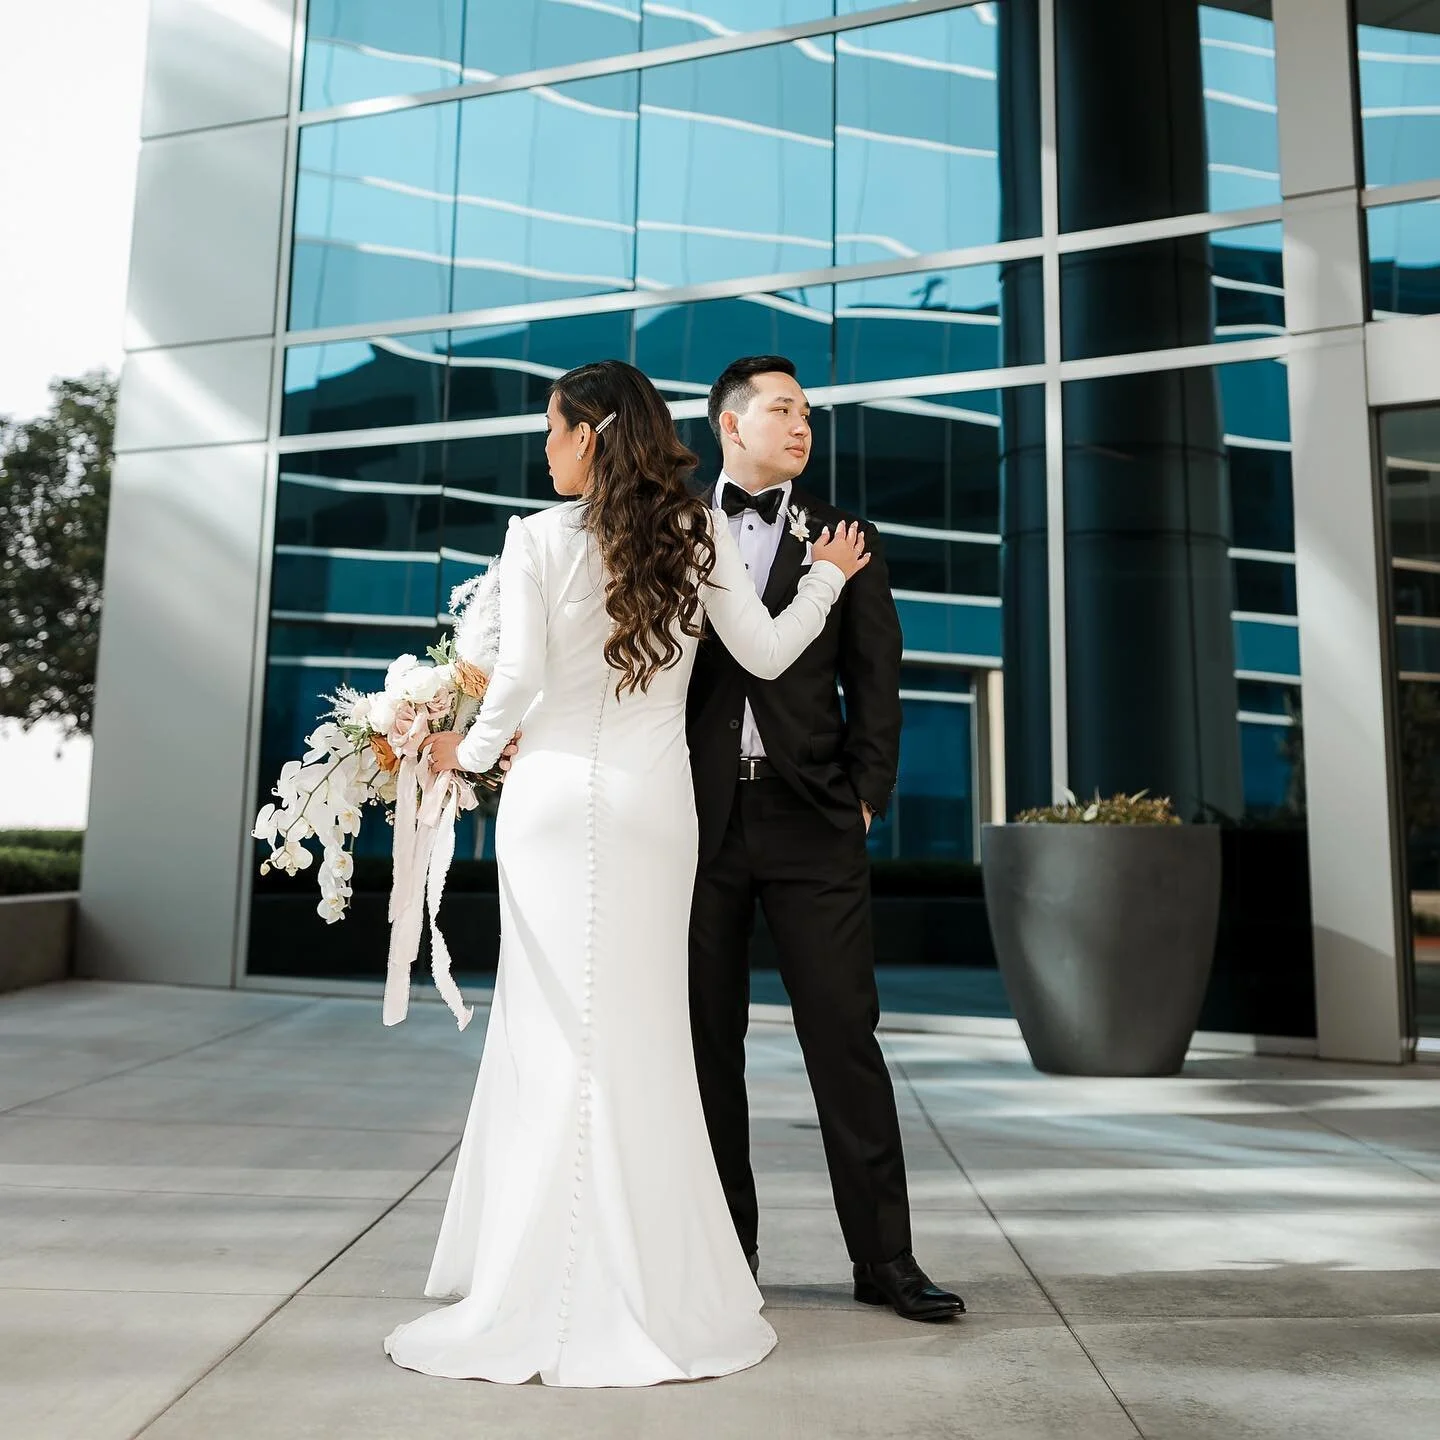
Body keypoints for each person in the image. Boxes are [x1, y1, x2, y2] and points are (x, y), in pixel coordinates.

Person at [383, 360, 872, 1388]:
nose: (545, 450)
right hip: (658, 812)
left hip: (553, 805)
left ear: (594, 435)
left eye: (555, 432)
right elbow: (771, 653)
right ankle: (661, 1275)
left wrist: (457, 760)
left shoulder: (533, 538)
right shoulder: (692, 535)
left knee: (556, 1026)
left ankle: (537, 1274)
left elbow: (513, 685)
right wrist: (826, 578)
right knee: (644, 1034)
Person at [686, 355, 965, 1322]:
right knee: (703, 1045)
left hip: (814, 822)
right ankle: (727, 1257)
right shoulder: (674, 523)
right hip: (697, 824)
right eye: (781, 410)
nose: (802, 425)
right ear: (731, 425)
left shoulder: (845, 538)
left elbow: (878, 678)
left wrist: (866, 794)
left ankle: (885, 1260)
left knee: (845, 1040)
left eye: (808, 412)